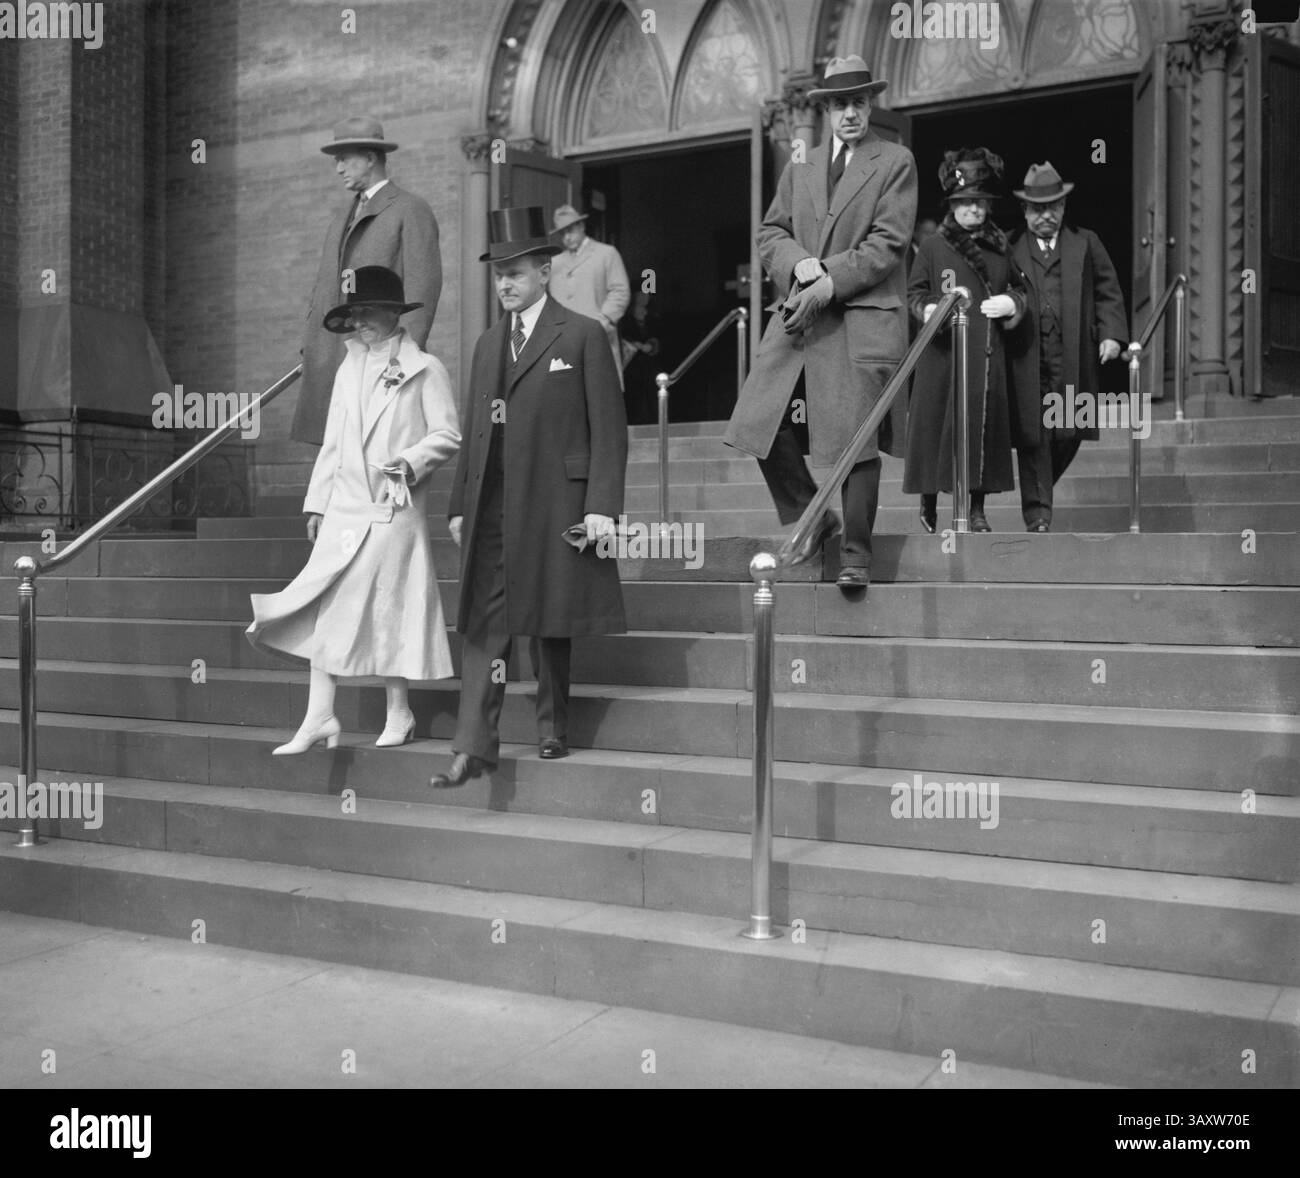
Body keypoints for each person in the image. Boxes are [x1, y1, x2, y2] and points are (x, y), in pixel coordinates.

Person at [430, 207, 628, 790]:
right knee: (483, 623)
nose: (505, 284)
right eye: (498, 275)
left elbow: (609, 432)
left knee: (549, 617)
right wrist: (460, 505)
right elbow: (475, 432)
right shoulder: (488, 344)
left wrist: (601, 506)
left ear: (545, 271)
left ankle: (552, 725)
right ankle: (472, 746)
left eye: (516, 273)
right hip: (493, 503)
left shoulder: (584, 333)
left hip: (557, 499)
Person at [723, 54, 917, 595]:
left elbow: (889, 243)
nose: (849, 113)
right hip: (799, 319)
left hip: (858, 315)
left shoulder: (894, 160)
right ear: (826, 110)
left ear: (870, 104)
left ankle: (856, 554)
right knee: (759, 420)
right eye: (839, 104)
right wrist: (796, 263)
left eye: (857, 102)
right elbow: (770, 234)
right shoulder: (800, 164)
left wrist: (828, 276)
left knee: (856, 435)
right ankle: (814, 515)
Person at [247, 266, 461, 753]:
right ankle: (321, 715)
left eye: (367, 312)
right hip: (344, 509)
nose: (359, 323)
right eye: (353, 314)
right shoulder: (348, 368)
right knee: (327, 607)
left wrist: (408, 462)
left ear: (392, 313)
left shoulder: (426, 368)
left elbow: (447, 434)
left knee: (389, 608)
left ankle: (395, 711)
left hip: (392, 508)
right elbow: (335, 443)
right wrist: (317, 502)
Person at [293, 116, 443, 446]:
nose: (339, 168)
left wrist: (405, 359)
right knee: (337, 461)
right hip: (337, 359)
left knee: (379, 456)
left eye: (345, 158)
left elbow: (423, 288)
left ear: (372, 158)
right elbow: (324, 287)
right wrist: (311, 347)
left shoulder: (410, 209)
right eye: (337, 160)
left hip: (383, 359)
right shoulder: (340, 218)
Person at [904, 148, 1027, 533]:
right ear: (952, 205)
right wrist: (928, 310)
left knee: (980, 429)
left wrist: (1012, 302)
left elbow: (1021, 288)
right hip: (942, 352)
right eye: (965, 203)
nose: (973, 210)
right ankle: (928, 502)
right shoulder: (933, 246)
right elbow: (915, 292)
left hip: (983, 353)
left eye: (979, 203)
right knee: (933, 426)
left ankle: (976, 508)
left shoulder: (1001, 246)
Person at [1005, 161, 1128, 532]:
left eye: (1053, 208)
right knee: (1035, 433)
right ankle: (1038, 513)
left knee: (1070, 430)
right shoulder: (1010, 247)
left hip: (1075, 354)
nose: (1046, 216)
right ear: (1025, 211)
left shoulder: (1085, 243)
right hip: (1027, 355)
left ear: (1063, 208)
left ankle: (1041, 488)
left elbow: (1108, 291)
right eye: (1037, 209)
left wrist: (1112, 334)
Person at [548, 204, 631, 385]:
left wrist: (604, 321)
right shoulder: (554, 263)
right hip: (565, 343)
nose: (567, 237)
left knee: (600, 395)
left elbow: (620, 291)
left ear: (581, 226)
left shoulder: (606, 254)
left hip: (598, 337)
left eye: (570, 230)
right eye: (562, 234)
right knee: (567, 398)